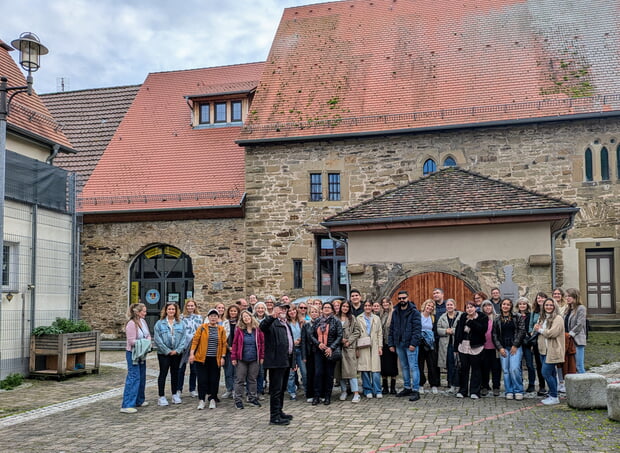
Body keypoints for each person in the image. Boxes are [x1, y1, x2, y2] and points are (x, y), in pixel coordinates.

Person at [260, 301, 295, 425]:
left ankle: (279, 411)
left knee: (282, 389)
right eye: (281, 308)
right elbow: (262, 327)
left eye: (285, 309)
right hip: (276, 361)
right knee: (276, 390)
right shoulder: (271, 322)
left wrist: (293, 362)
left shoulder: (285, 323)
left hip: (286, 360)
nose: (283, 311)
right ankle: (274, 416)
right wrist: (272, 317)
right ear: (275, 310)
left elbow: (290, 343)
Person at [388, 290, 422, 402]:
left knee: (413, 367)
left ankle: (416, 390)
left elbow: (417, 329)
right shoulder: (396, 311)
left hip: (410, 344)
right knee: (404, 367)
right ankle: (407, 387)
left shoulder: (414, 311)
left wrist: (413, 343)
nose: (402, 300)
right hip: (399, 343)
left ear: (408, 298)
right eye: (400, 298)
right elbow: (392, 328)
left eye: (404, 298)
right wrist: (391, 343)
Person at [190, 308, 227, 410]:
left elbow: (224, 344)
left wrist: (223, 356)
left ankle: (212, 399)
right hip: (202, 358)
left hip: (215, 358)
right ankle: (201, 399)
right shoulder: (202, 328)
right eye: (211, 316)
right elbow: (195, 341)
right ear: (208, 317)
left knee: (214, 380)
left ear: (218, 318)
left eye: (215, 316)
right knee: (202, 379)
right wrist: (192, 353)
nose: (213, 318)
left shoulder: (221, 329)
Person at [153, 302, 187, 406]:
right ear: (166, 310)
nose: (171, 311)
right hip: (164, 353)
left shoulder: (181, 323)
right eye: (169, 309)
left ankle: (174, 394)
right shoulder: (159, 324)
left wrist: (177, 350)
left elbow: (183, 338)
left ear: (176, 311)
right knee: (163, 373)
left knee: (175, 373)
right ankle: (161, 396)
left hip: (177, 352)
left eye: (173, 309)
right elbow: (157, 339)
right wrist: (167, 351)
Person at [492, 298, 526, 400]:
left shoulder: (517, 316)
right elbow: (494, 335)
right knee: (506, 370)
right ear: (501, 306)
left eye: (508, 304)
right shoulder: (497, 319)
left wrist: (515, 345)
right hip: (503, 348)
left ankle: (518, 390)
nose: (505, 306)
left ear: (511, 306)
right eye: (504, 304)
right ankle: (509, 391)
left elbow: (522, 331)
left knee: (514, 369)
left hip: (515, 347)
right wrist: (500, 348)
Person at [120, 303, 151, 413]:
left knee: (142, 376)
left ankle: (139, 400)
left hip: (141, 353)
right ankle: (127, 404)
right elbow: (131, 341)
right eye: (144, 311)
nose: (145, 313)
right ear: (137, 312)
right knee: (134, 377)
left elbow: (148, 335)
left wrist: (147, 341)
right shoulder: (131, 324)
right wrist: (145, 342)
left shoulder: (143, 322)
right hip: (133, 354)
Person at [534, 298, 565, 405]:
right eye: (547, 305)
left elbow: (552, 333)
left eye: (551, 305)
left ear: (554, 306)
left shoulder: (558, 318)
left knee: (545, 372)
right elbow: (536, 329)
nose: (548, 307)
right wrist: (537, 329)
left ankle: (554, 396)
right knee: (551, 373)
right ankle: (553, 393)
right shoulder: (542, 318)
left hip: (553, 350)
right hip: (543, 350)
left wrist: (541, 330)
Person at [454, 300, 488, 399]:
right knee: (464, 368)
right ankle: (463, 390)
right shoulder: (463, 317)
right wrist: (456, 347)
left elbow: (482, 330)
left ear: (475, 308)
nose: (469, 309)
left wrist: (472, 322)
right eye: (467, 307)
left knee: (476, 369)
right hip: (463, 345)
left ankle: (475, 391)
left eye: (471, 307)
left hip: (476, 346)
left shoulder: (482, 317)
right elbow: (458, 332)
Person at [311, 302, 343, 405]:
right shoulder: (317, 321)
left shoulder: (336, 321)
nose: (327, 309)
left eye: (329, 307)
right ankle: (317, 396)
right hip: (319, 351)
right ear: (322, 309)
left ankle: (327, 396)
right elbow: (311, 335)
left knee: (329, 374)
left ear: (332, 309)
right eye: (325, 307)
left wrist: (331, 347)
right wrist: (318, 343)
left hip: (330, 351)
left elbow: (339, 336)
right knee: (318, 373)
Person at [231, 310, 264, 409]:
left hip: (254, 358)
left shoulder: (258, 330)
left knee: (252, 379)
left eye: (247, 316)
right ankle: (238, 400)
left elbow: (262, 344)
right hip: (242, 358)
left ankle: (252, 397)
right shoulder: (239, 330)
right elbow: (235, 344)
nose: (246, 318)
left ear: (251, 317)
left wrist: (261, 356)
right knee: (240, 379)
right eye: (244, 317)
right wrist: (233, 357)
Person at [357, 300, 384, 398]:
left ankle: (377, 390)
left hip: (375, 345)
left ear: (372, 307)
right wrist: (357, 348)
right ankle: (367, 390)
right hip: (363, 345)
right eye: (366, 305)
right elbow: (356, 333)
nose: (367, 307)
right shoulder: (358, 318)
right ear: (363, 307)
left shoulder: (376, 318)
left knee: (376, 370)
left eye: (369, 305)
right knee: (365, 369)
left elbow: (380, 333)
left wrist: (380, 346)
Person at [177, 299, 203, 399]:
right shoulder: (181, 318)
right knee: (181, 369)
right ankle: (179, 389)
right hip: (184, 346)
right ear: (186, 307)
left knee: (194, 369)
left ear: (195, 307)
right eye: (188, 306)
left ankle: (192, 389)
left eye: (192, 306)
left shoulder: (199, 318)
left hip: (195, 346)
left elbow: (200, 331)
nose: (190, 308)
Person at [338, 300, 361, 403]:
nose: (345, 308)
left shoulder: (352, 319)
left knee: (351, 371)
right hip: (338, 347)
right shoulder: (336, 318)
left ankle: (356, 393)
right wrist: (339, 340)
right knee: (340, 371)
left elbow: (357, 331)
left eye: (347, 307)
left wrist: (349, 340)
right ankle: (343, 391)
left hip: (349, 348)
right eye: (343, 306)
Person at [436, 298, 462, 393]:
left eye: (451, 305)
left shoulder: (460, 315)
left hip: (458, 344)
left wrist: (453, 330)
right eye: (448, 305)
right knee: (449, 364)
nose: (449, 306)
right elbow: (438, 329)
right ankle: (450, 382)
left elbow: (462, 327)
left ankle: (458, 383)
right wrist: (446, 331)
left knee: (458, 364)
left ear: (455, 306)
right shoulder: (442, 317)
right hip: (446, 345)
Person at [418, 299, 440, 394]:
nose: (430, 308)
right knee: (420, 365)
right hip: (420, 343)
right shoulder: (418, 316)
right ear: (424, 305)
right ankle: (420, 384)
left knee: (432, 365)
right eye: (428, 306)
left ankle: (433, 384)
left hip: (430, 344)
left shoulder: (433, 318)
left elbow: (435, 330)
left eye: (432, 306)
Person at [480, 300, 501, 397]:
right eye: (485, 306)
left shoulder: (497, 318)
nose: (487, 308)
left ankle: (496, 387)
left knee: (496, 368)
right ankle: (485, 386)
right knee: (484, 368)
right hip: (483, 347)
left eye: (489, 305)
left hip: (495, 348)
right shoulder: (480, 317)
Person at [529, 292, 548, 396]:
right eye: (538, 298)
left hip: (547, 340)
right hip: (537, 340)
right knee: (539, 364)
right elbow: (531, 326)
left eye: (542, 298)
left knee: (548, 364)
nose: (540, 300)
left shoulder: (549, 311)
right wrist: (533, 332)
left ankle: (551, 385)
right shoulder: (534, 312)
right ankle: (541, 386)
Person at [517, 297, 537, 393]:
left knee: (529, 364)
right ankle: (519, 383)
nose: (522, 306)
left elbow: (532, 328)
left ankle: (531, 384)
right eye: (520, 304)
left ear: (527, 305)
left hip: (528, 342)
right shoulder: (515, 316)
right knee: (518, 365)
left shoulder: (530, 315)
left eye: (524, 304)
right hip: (518, 343)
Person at [286, 305, 306, 400]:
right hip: (290, 350)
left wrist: (301, 339)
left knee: (304, 372)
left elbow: (305, 334)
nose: (292, 312)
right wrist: (291, 342)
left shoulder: (301, 322)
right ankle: (292, 392)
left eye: (293, 310)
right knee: (291, 373)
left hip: (301, 349)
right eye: (289, 311)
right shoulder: (286, 323)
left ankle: (307, 391)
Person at [301, 304, 320, 403]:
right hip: (309, 352)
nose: (314, 314)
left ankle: (319, 393)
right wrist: (304, 355)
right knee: (310, 373)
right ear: (309, 313)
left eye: (316, 311)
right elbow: (303, 341)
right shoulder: (306, 325)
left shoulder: (322, 323)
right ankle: (310, 394)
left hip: (319, 352)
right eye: (312, 312)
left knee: (319, 373)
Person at [379, 297, 398, 395]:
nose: (385, 304)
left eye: (386, 302)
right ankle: (385, 387)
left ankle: (393, 387)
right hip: (382, 344)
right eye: (383, 303)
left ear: (390, 303)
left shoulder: (394, 313)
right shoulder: (381, 314)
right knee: (384, 366)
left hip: (392, 343)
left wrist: (393, 343)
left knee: (393, 365)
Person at [565, 288, 587, 374]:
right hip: (568, 340)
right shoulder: (568, 309)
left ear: (575, 296)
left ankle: (584, 384)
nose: (567, 298)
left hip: (577, 340)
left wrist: (571, 334)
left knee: (579, 365)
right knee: (571, 365)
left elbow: (580, 324)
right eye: (566, 296)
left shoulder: (581, 308)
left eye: (569, 296)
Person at [222, 304, 240, 398]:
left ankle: (236, 390)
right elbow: (222, 337)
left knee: (237, 372)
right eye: (231, 311)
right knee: (228, 371)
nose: (233, 313)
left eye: (235, 311)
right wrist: (228, 347)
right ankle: (229, 389)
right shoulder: (225, 323)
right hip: (227, 349)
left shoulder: (240, 323)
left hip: (238, 350)